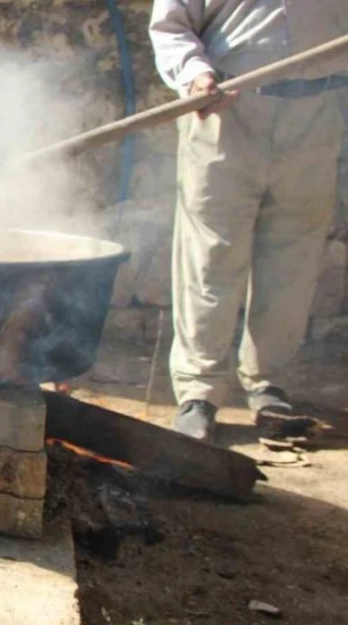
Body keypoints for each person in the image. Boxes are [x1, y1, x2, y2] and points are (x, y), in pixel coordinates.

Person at [149, 0, 348, 441]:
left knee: (293, 260)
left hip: (318, 111)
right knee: (210, 258)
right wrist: (195, 73)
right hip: (227, 110)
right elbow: (172, 26)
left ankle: (267, 385)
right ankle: (198, 393)